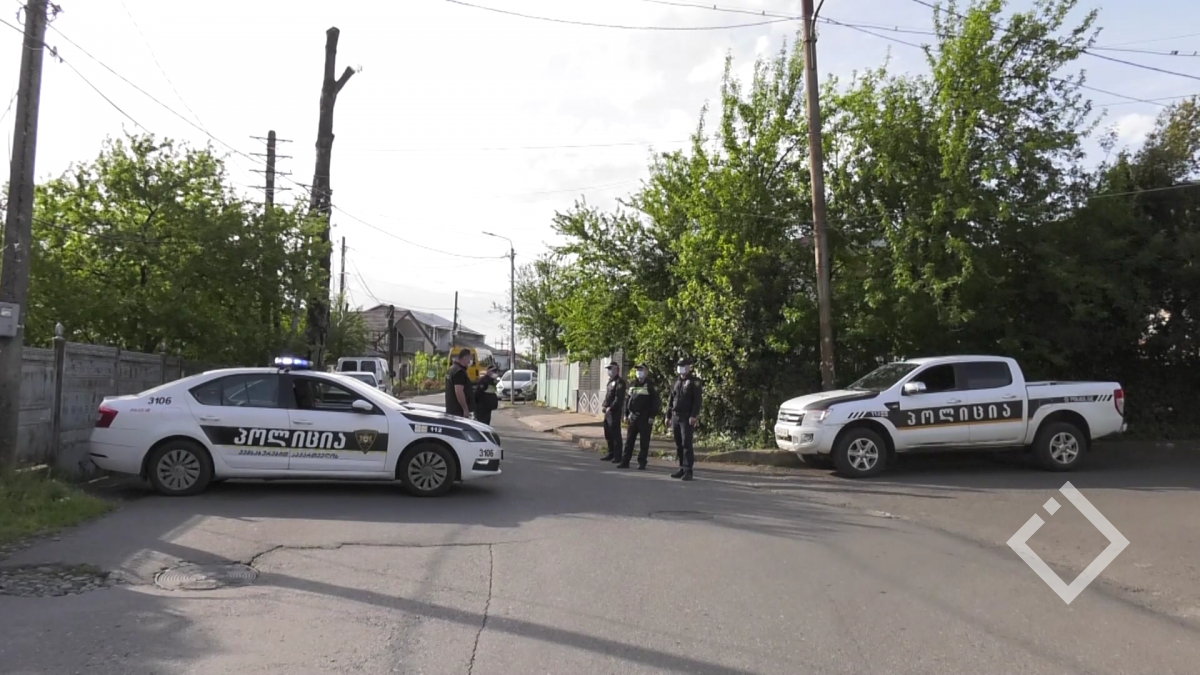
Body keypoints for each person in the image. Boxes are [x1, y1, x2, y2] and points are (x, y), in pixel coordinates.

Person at [668, 357, 702, 481]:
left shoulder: (694, 382)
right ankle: (681, 468)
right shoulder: (676, 381)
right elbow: (671, 399)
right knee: (679, 444)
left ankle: (688, 471)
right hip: (675, 416)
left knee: (686, 443)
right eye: (679, 365)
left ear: (688, 367)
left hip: (687, 417)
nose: (680, 368)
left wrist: (693, 415)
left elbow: (697, 401)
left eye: (683, 366)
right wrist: (668, 416)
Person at [620, 363, 660, 469]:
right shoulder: (632, 384)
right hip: (633, 416)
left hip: (645, 417)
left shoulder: (651, 385)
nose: (639, 372)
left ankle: (642, 462)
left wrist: (652, 416)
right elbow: (627, 400)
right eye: (637, 370)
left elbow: (656, 402)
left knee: (644, 442)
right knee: (629, 441)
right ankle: (625, 461)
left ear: (646, 372)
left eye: (641, 370)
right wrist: (625, 414)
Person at [599, 362, 626, 462]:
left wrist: (611, 407)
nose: (609, 371)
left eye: (611, 368)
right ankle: (611, 453)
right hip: (607, 412)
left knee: (615, 434)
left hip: (614, 412)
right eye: (608, 369)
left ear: (617, 370)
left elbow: (619, 398)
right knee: (608, 433)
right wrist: (604, 405)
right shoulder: (610, 381)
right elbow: (608, 396)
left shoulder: (620, 382)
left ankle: (618, 456)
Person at [444, 349, 474, 418]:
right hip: (458, 411)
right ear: (465, 358)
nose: (469, 362)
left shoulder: (451, 369)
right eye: (469, 359)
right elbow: (459, 392)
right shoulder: (459, 372)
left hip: (452, 409)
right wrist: (465, 409)